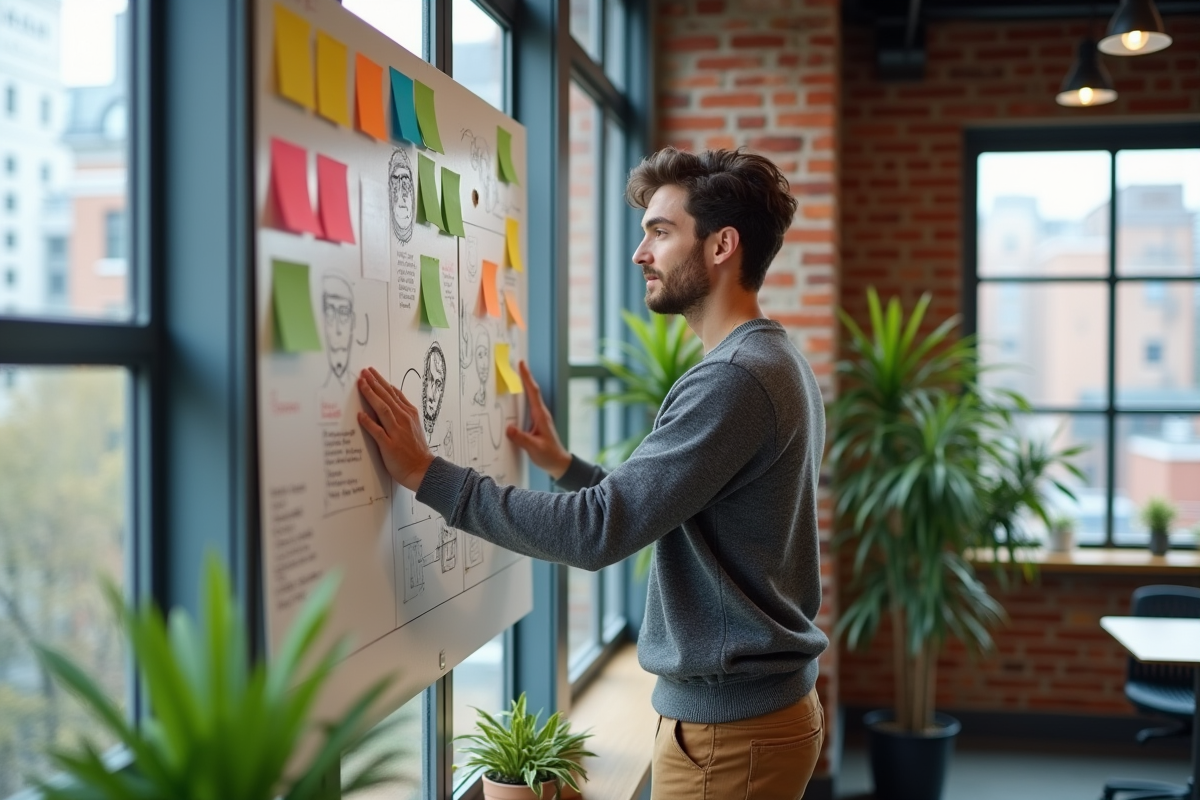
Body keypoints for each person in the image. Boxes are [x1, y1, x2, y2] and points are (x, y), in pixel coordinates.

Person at [356, 147, 828, 800]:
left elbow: (597, 532)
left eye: (660, 232)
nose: (640, 253)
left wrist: (427, 473)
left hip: (731, 733)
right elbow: (674, 505)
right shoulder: (769, 358)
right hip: (747, 718)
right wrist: (566, 467)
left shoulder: (734, 379)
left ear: (722, 245)